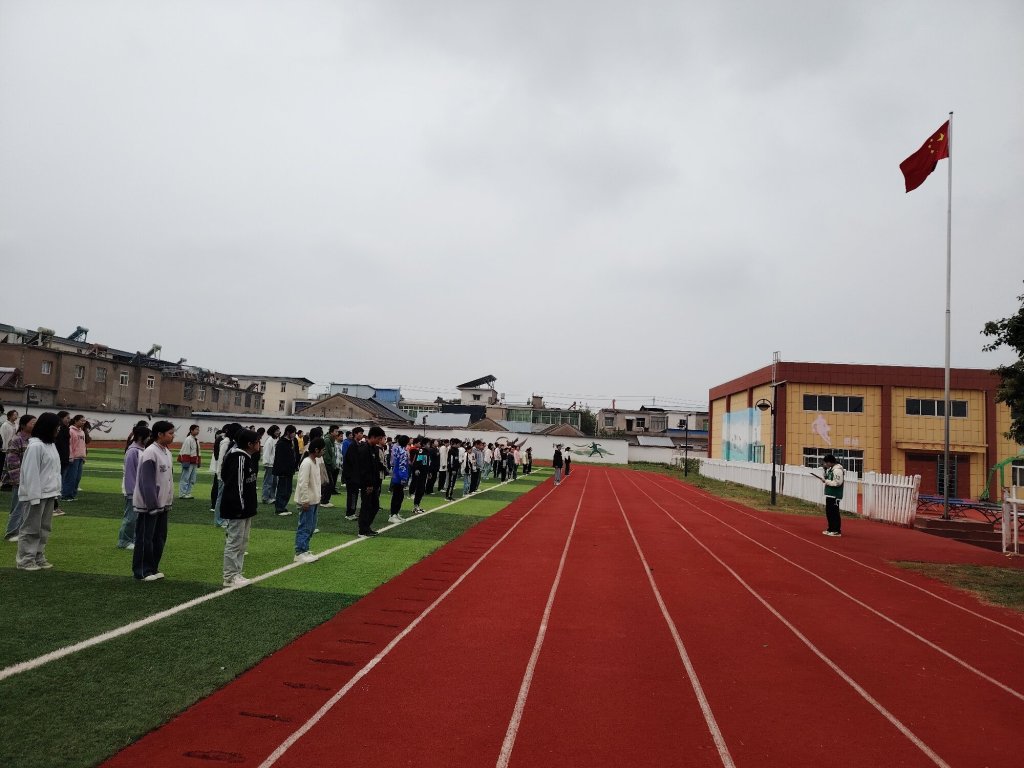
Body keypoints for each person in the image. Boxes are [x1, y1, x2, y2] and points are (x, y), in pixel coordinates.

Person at [14, 412, 62, 570]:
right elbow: (31, 473)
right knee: (31, 528)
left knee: (44, 528)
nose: (58, 429)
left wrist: (56, 491)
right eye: (56, 426)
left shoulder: (50, 445)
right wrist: (33, 497)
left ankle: (38, 555)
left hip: (49, 493)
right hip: (36, 495)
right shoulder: (36, 446)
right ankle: (25, 559)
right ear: (48, 427)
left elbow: (55, 470)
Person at [133, 420, 175, 581]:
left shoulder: (166, 452)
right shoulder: (150, 452)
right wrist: (152, 505)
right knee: (146, 538)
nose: (173, 436)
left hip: (163, 504)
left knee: (159, 538)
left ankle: (153, 568)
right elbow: (147, 481)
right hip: (149, 506)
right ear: (160, 434)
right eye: (170, 433)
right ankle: (142, 571)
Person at [221, 428, 260, 585]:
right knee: (235, 542)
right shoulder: (238, 458)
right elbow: (236, 485)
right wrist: (240, 506)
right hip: (237, 508)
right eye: (257, 442)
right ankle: (230, 576)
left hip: (245, 507)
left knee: (242, 542)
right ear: (249, 444)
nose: (259, 444)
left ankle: (237, 572)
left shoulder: (246, 457)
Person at [117, 424, 150, 550]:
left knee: (138, 517)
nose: (149, 439)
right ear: (141, 437)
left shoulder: (141, 450)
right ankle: (124, 541)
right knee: (131, 517)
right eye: (148, 436)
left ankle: (134, 539)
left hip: (140, 489)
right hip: (133, 490)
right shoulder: (133, 451)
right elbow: (130, 473)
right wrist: (132, 492)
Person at [3, 414, 36, 541]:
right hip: (20, 479)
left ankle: (20, 531)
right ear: (23, 425)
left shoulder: (34, 440)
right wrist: (17, 479)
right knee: (18, 506)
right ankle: (11, 532)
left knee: (26, 506)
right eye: (33, 423)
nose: (35, 425)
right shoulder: (17, 440)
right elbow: (12, 461)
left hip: (30, 479)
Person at [294, 437, 325, 562]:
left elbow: (316, 482)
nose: (323, 452)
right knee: (305, 527)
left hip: (314, 500)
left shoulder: (315, 461)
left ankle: (305, 549)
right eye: (322, 449)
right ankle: (300, 552)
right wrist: (305, 500)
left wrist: (318, 497)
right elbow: (303, 483)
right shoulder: (307, 463)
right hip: (307, 501)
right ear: (316, 450)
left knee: (311, 527)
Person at [356, 426, 386, 537]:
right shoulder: (364, 449)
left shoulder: (374, 448)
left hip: (374, 482)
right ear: (372, 437)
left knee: (374, 506)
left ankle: (367, 527)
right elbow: (364, 468)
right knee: (366, 506)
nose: (379, 441)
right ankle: (362, 530)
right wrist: (368, 484)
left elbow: (375, 466)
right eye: (379, 438)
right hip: (367, 483)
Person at [273, 425, 299, 516]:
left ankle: (283, 507)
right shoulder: (281, 443)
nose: (294, 434)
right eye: (293, 432)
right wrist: (282, 469)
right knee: (282, 489)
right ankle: (279, 508)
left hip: (290, 469)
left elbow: (295, 454)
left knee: (288, 490)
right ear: (288, 432)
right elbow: (280, 458)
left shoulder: (292, 441)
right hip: (283, 470)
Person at [61, 414, 88, 501]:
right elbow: (70, 445)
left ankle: (72, 495)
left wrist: (84, 456)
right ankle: (66, 495)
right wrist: (70, 456)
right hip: (74, 458)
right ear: (76, 421)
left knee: (77, 478)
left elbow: (83, 445)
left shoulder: (82, 432)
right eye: (81, 420)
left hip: (80, 457)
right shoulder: (71, 431)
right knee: (71, 477)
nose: (83, 422)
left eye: (84, 421)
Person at [341, 426, 365, 521]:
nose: (362, 435)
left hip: (355, 475)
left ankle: (352, 512)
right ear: (355, 434)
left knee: (354, 494)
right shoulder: (352, 446)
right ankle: (349, 513)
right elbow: (351, 462)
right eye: (360, 433)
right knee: (352, 495)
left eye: (362, 433)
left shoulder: (357, 445)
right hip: (351, 475)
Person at [818, 454, 845, 537]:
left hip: (835, 495)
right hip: (830, 494)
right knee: (829, 512)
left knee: (834, 513)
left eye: (826, 463)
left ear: (830, 462)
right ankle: (830, 528)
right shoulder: (831, 470)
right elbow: (829, 479)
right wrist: (825, 476)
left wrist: (826, 481)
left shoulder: (837, 470)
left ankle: (836, 530)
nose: (825, 464)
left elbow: (837, 483)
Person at [389, 434, 410, 523]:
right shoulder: (403, 451)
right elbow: (402, 465)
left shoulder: (397, 448)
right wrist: (403, 477)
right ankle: (393, 514)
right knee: (398, 496)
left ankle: (395, 513)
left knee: (398, 495)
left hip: (396, 474)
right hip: (399, 475)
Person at [177, 424, 201, 499]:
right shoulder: (188, 439)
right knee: (185, 477)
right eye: (196, 429)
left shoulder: (196, 440)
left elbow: (198, 452)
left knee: (192, 479)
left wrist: (198, 461)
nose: (198, 431)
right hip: (189, 461)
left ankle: (188, 493)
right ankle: (182, 493)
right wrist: (186, 462)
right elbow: (185, 451)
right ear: (191, 430)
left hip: (194, 461)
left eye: (198, 429)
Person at [320, 425, 340, 507]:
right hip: (327, 464)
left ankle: (325, 500)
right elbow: (326, 454)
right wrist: (330, 464)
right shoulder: (327, 440)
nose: (337, 433)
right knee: (329, 483)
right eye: (336, 431)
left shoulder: (332, 440)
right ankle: (324, 501)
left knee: (330, 483)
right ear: (331, 432)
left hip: (330, 464)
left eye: (337, 431)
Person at [261, 425, 280, 503]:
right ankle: (265, 498)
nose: (278, 432)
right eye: (277, 431)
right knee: (268, 482)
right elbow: (266, 452)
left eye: (278, 430)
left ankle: (272, 497)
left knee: (274, 482)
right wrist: (266, 463)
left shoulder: (273, 440)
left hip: (273, 464)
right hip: (269, 464)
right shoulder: (269, 440)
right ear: (273, 431)